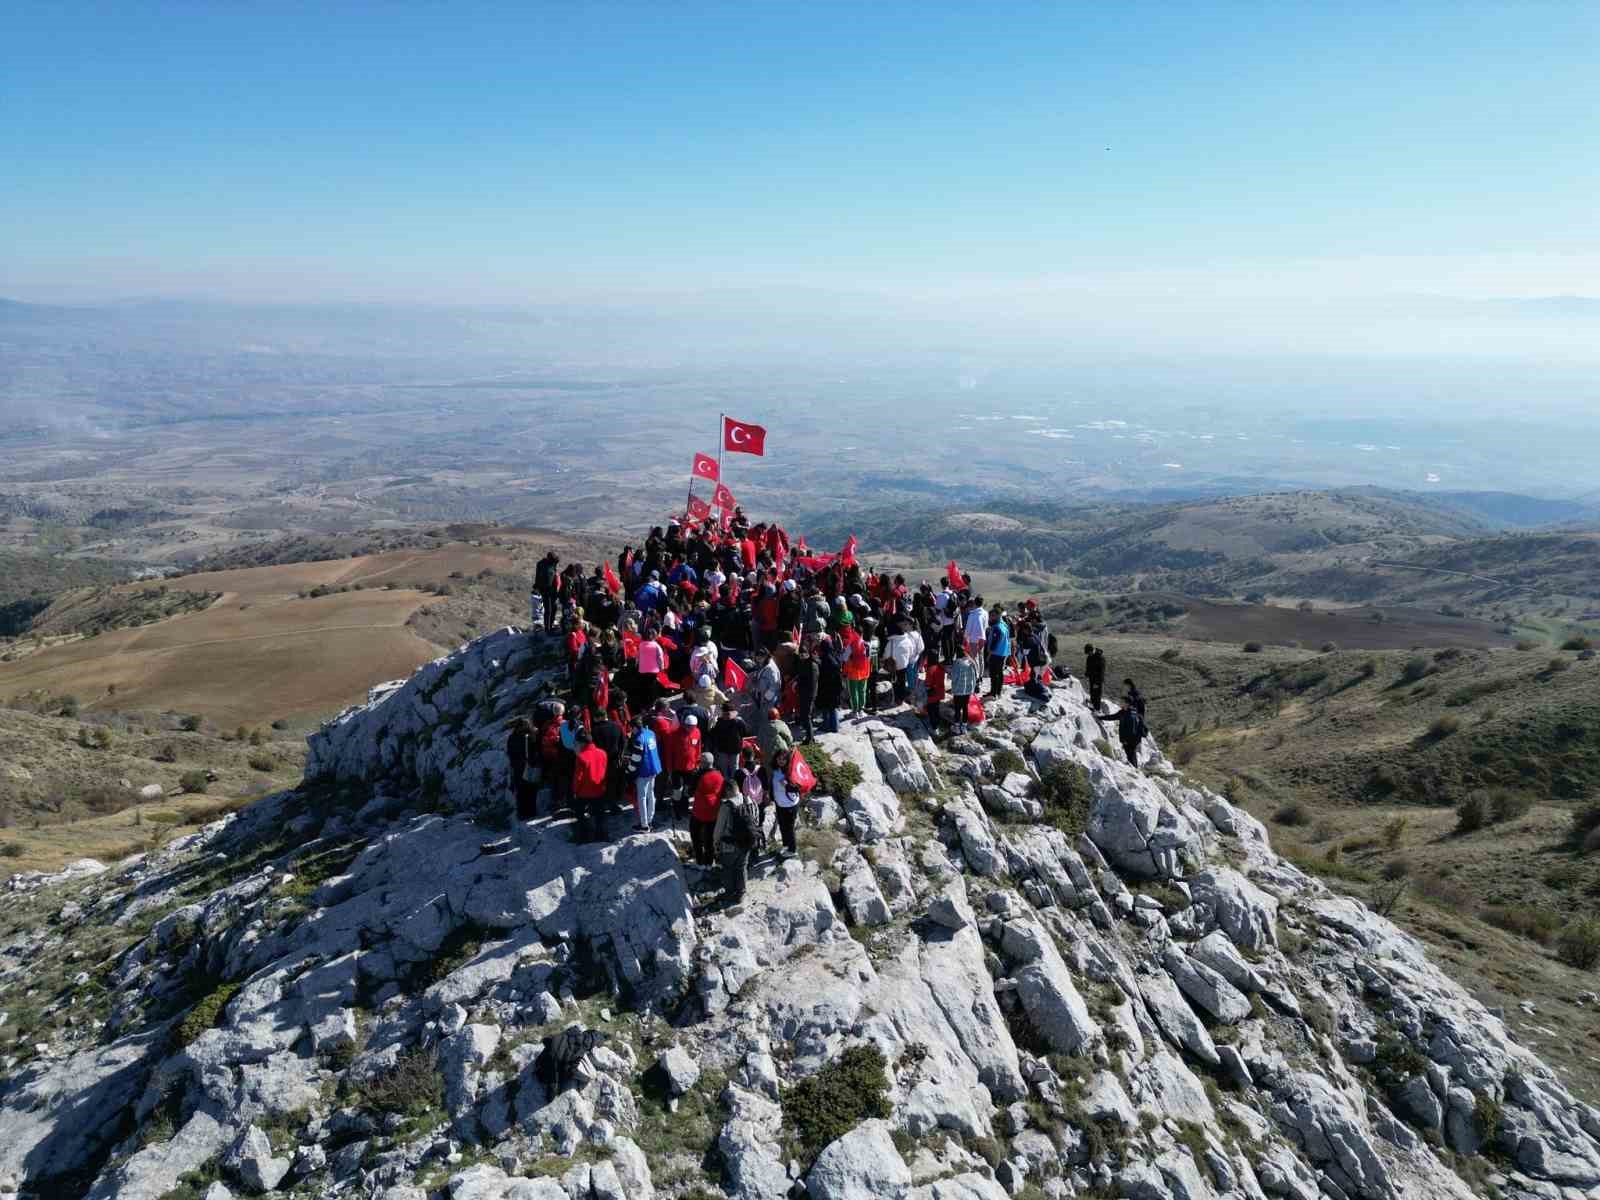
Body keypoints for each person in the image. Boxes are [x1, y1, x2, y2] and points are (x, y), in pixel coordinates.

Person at [712, 775, 758, 904]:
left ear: (727, 790)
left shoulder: (726, 806)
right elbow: (755, 819)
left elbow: (718, 830)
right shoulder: (749, 799)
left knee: (727, 868)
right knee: (742, 866)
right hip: (748, 841)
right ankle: (741, 893)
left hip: (729, 844)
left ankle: (729, 892)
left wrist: (715, 844)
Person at [571, 729, 609, 841]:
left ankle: (584, 835)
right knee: (600, 815)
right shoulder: (603, 753)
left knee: (580, 814)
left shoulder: (581, 757)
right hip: (599, 789)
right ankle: (601, 835)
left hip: (584, 792)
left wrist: (575, 791)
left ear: (582, 743)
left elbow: (578, 778)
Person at [627, 714, 663, 832]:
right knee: (651, 794)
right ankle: (650, 818)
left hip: (644, 771)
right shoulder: (650, 733)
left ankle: (644, 825)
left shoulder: (638, 739)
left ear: (634, 727)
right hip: (654, 768)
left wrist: (629, 770)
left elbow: (636, 759)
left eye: (631, 728)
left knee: (641, 797)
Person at [689, 754, 724, 867]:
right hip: (714, 812)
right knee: (709, 839)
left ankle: (699, 862)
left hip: (699, 812)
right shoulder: (719, 775)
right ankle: (709, 863)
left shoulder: (698, 775)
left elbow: (690, 792)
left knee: (696, 837)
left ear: (703, 763)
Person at [1095, 695, 1149, 769]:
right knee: (1131, 755)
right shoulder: (1125, 712)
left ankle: (1134, 771)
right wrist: (1100, 717)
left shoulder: (1130, 714)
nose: (1121, 703)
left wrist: (1125, 740)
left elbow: (1131, 730)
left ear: (1127, 703)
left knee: (1131, 755)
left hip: (1131, 740)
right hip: (1133, 740)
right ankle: (1135, 769)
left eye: (1122, 702)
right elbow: (1113, 717)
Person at [671, 713, 703, 834]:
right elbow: (671, 752)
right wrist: (670, 768)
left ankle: (684, 809)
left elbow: (698, 748)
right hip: (677, 768)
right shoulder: (675, 734)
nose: (691, 728)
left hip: (691, 767)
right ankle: (676, 809)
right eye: (689, 726)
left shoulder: (697, 732)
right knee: (677, 791)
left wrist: (698, 762)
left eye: (693, 726)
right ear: (684, 724)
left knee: (688, 790)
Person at [505, 717, 539, 822]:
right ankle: (532, 812)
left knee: (520, 791)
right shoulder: (533, 736)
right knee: (532, 790)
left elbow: (510, 753)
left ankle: (522, 813)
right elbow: (536, 750)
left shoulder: (512, 737)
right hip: (531, 766)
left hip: (518, 767)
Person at [770, 749, 800, 858]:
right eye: (779, 759)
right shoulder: (776, 769)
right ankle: (786, 845)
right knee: (782, 826)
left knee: (789, 828)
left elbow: (794, 789)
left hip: (790, 805)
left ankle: (792, 850)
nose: (781, 761)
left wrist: (787, 785)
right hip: (780, 803)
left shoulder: (789, 772)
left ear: (788, 760)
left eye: (784, 759)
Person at [709, 703, 748, 776]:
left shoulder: (719, 722)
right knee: (735, 767)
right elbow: (745, 733)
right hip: (735, 749)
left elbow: (712, 734)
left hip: (722, 749)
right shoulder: (739, 721)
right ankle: (734, 784)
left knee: (724, 768)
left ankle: (726, 783)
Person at [816, 634, 844, 735]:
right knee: (833, 707)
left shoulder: (824, 659)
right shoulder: (835, 656)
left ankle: (826, 725)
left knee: (825, 707)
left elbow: (821, 675)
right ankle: (835, 725)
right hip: (836, 687)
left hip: (826, 688)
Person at [948, 644, 978, 735]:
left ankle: (956, 727)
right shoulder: (971, 662)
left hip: (958, 690)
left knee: (957, 709)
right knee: (965, 708)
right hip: (968, 690)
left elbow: (954, 677)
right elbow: (975, 675)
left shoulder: (957, 663)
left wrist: (949, 674)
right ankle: (964, 727)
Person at [792, 639, 819, 743]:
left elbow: (811, 683)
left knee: (806, 716)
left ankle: (810, 738)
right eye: (801, 654)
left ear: (808, 654)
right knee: (805, 715)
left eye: (804, 654)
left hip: (809, 694)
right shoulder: (804, 663)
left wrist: (799, 684)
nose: (802, 656)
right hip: (804, 693)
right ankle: (809, 737)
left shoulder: (812, 665)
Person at [985, 605, 1011, 699]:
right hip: (1003, 653)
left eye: (992, 616)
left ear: (997, 616)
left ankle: (993, 693)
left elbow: (994, 643)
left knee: (994, 674)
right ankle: (998, 692)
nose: (990, 618)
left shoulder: (997, 628)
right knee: (999, 673)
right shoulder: (1004, 625)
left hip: (996, 654)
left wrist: (989, 654)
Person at [921, 648, 946, 737]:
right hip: (940, 692)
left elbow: (928, 683)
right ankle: (937, 726)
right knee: (936, 709)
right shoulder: (940, 667)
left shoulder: (930, 669)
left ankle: (934, 728)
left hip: (932, 694)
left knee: (931, 711)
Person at [758, 707, 793, 772]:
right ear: (778, 716)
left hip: (767, 754)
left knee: (769, 772)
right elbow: (789, 738)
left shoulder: (762, 727)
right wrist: (787, 748)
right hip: (781, 754)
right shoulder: (781, 724)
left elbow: (759, 742)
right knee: (783, 771)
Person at [535, 551, 561, 632]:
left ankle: (550, 625)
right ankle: (547, 628)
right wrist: (537, 587)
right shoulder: (543, 565)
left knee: (553, 608)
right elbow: (538, 576)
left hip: (551, 590)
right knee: (549, 609)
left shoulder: (549, 564)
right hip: (546, 590)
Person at [1084, 643, 1107, 711]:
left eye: (1089, 653)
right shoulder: (1089, 657)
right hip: (1092, 679)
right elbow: (1088, 667)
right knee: (1092, 694)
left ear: (1092, 650)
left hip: (1098, 681)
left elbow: (1102, 671)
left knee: (1097, 696)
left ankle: (1097, 710)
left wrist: (1097, 682)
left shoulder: (1100, 657)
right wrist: (1087, 673)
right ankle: (1093, 708)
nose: (1088, 654)